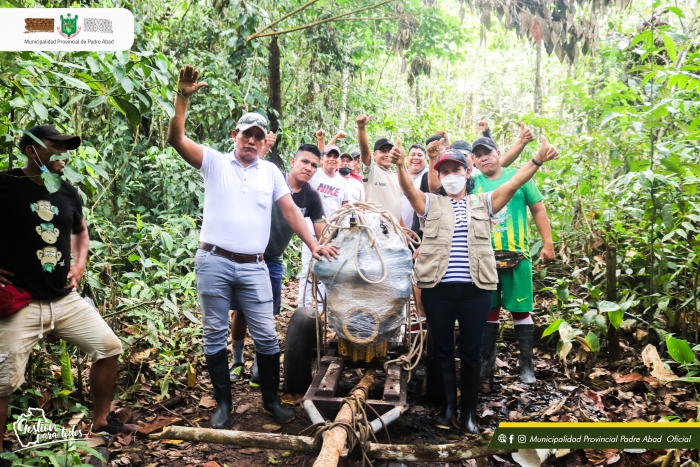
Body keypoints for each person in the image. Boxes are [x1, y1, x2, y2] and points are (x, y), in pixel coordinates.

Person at [167, 65, 334, 428]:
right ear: (235, 135)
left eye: (258, 137)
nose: (252, 142)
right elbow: (177, 139)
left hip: (256, 265)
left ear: (264, 141)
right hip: (213, 260)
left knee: (266, 335)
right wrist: (182, 97)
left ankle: (271, 401)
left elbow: (291, 210)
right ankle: (223, 406)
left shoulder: (271, 172)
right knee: (214, 332)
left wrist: (313, 243)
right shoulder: (214, 161)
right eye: (247, 135)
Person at [390, 135, 557, 433]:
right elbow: (406, 188)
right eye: (445, 171)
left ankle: (467, 413)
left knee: (470, 353)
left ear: (468, 173)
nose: (451, 175)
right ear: (439, 176)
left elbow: (513, 183)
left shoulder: (483, 202)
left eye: (457, 170)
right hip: (438, 291)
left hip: (476, 292)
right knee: (441, 350)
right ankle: (448, 409)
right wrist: (402, 165)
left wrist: (537, 161)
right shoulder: (430, 203)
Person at [0, 125, 138, 454]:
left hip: (63, 299)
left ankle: (101, 421)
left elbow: (81, 230)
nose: (64, 153)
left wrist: (79, 264)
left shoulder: (65, 190)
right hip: (20, 301)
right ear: (33, 151)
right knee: (2, 382)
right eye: (56, 146)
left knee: (108, 346)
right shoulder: (5, 184)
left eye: (66, 147)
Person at [229, 145, 329, 387]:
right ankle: (238, 361)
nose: (309, 168)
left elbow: (321, 231)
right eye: (305, 161)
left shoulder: (311, 197)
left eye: (314, 165)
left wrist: (328, 243)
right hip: (246, 252)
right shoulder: (272, 179)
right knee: (241, 311)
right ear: (293, 160)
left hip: (273, 259)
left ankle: (259, 367)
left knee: (267, 314)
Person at [471, 136, 556, 384]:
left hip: (518, 254)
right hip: (484, 257)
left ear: (499, 153)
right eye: (479, 155)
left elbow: (538, 208)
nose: (484, 157)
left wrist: (547, 244)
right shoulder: (472, 182)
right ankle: (486, 363)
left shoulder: (520, 176)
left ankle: (526, 366)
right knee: (489, 309)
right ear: (474, 161)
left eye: (488, 152)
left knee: (521, 309)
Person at [297, 142, 351, 308]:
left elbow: (345, 208)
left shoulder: (343, 183)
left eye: (336, 156)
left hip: (332, 235)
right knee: (307, 271)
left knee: (327, 272)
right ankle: (303, 309)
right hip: (311, 231)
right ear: (322, 159)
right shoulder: (315, 174)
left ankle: (322, 311)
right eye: (329, 155)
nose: (332, 159)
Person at [356, 114, 403, 223]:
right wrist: (361, 128)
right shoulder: (371, 171)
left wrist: (404, 228)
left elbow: (396, 205)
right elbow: (364, 150)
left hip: (394, 229)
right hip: (375, 229)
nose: (387, 154)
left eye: (389, 151)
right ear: (374, 154)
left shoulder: (395, 175)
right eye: (383, 151)